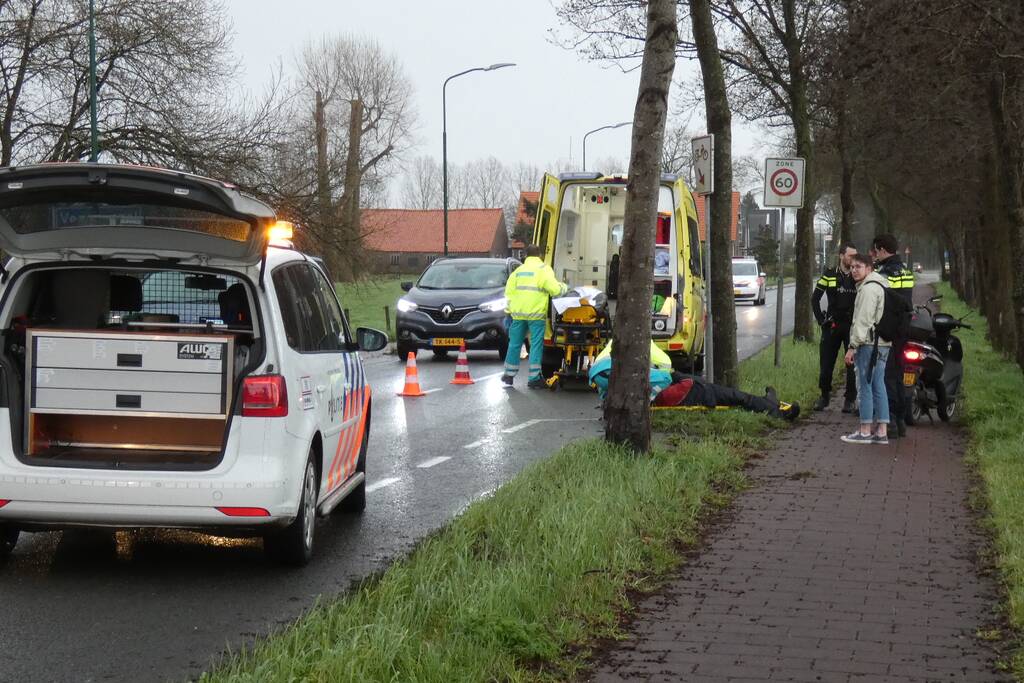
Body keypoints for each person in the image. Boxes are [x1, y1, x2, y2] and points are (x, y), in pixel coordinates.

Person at [588, 341, 799, 420]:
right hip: (683, 392)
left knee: (730, 395)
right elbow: (663, 374)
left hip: (680, 386)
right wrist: (659, 378)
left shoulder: (602, 372)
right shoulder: (616, 365)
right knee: (733, 397)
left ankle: (769, 402)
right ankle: (776, 411)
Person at [501, 244, 568, 388]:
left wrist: (508, 312)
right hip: (536, 315)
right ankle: (534, 378)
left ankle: (508, 374)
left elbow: (508, 294)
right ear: (540, 255)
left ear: (526, 255)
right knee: (536, 345)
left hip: (518, 314)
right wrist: (564, 287)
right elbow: (555, 290)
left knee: (514, 344)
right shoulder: (543, 270)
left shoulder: (518, 271)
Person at [841, 254, 890, 444]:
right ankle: (882, 432)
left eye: (858, 267)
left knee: (865, 386)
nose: (854, 270)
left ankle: (864, 431)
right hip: (884, 343)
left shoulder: (868, 290)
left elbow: (863, 321)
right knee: (879, 385)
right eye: (852, 267)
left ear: (869, 268)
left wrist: (852, 347)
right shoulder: (883, 285)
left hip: (869, 344)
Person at [871, 233, 915, 437]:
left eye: (876, 251)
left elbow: (882, 301)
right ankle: (900, 419)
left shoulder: (885, 273)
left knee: (886, 375)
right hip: (903, 329)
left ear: (881, 249)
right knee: (898, 374)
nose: (874, 255)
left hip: (887, 329)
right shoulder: (906, 271)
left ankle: (890, 423)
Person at [812, 242, 858, 412]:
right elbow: (815, 298)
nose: (853, 259)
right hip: (832, 325)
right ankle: (824, 396)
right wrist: (820, 319)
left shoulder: (858, 275)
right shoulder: (830, 274)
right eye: (850, 255)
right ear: (841, 255)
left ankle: (850, 400)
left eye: (855, 256)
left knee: (852, 364)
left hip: (852, 326)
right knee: (826, 362)